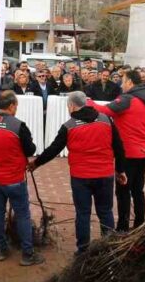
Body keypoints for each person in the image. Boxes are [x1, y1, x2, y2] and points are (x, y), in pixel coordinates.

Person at [30, 91, 127, 254]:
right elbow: (119, 147)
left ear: (72, 106)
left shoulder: (69, 126)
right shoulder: (107, 120)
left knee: (83, 213)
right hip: (104, 175)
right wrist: (121, 170)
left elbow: (54, 149)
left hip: (81, 177)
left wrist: (36, 163)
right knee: (105, 211)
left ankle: (83, 250)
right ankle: (108, 248)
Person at [0, 91, 43, 265]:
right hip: (14, 178)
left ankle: (1, 249)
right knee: (22, 214)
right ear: (12, 105)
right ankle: (27, 254)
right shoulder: (18, 125)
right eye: (16, 106)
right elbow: (30, 150)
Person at [93, 70, 145, 231]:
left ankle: (122, 227)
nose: (121, 84)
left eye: (123, 81)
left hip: (127, 153)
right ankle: (140, 224)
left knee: (123, 191)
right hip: (143, 152)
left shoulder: (128, 99)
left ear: (130, 83)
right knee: (138, 190)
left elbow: (106, 110)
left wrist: (88, 102)